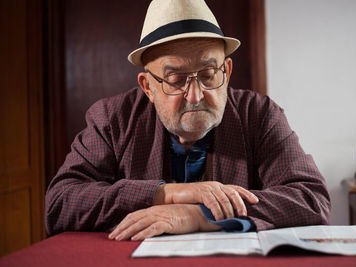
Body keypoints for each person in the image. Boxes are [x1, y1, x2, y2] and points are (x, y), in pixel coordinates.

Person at [45, 0, 331, 241]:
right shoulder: (112, 119)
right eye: (175, 79)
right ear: (148, 87)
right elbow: (60, 203)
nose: (195, 96)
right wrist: (168, 195)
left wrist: (198, 214)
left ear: (227, 71)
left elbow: (311, 198)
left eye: (208, 75)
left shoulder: (259, 114)